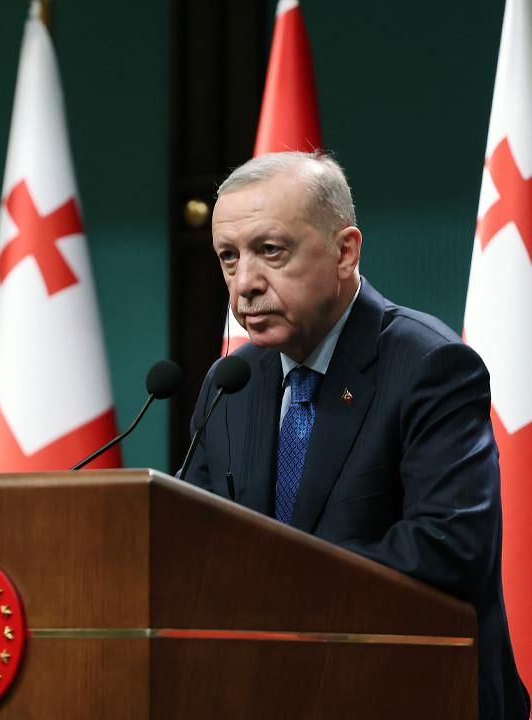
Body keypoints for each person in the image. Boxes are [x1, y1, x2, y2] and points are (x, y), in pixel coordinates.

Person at [182, 152, 528, 719]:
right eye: (229, 257)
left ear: (345, 251)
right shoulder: (232, 384)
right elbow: (193, 544)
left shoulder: (430, 366)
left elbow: (447, 548)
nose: (244, 284)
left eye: (271, 250)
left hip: (415, 696)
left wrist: (274, 584)